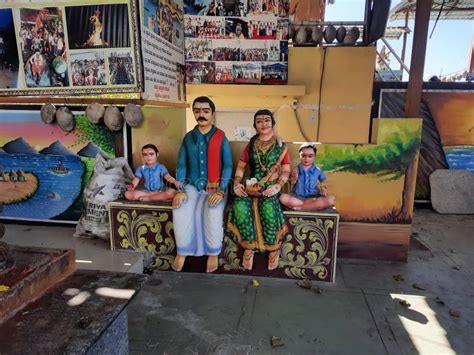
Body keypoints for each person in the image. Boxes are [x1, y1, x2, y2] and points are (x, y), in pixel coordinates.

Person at [172, 96, 233, 273]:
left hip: (216, 186)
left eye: (206, 111)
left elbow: (228, 165)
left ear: (212, 114)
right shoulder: (188, 138)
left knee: (213, 211)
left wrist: (221, 191)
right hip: (191, 186)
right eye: (197, 111)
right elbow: (181, 165)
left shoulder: (221, 137)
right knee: (180, 208)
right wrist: (181, 189)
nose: (201, 114)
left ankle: (213, 252)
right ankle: (183, 250)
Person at [227, 109, 291, 271]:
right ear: (255, 126)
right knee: (240, 205)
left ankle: (273, 249)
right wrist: (236, 183)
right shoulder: (251, 145)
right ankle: (249, 248)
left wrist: (278, 186)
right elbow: (241, 167)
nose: (263, 124)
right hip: (252, 186)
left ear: (272, 123)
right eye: (259, 121)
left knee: (268, 209)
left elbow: (286, 170)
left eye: (267, 120)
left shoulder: (280, 146)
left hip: (270, 187)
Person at [280, 143, 335, 211]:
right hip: (297, 198)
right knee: (283, 197)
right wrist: (293, 178)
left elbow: (323, 180)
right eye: (303, 156)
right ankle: (308, 206)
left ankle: (301, 207)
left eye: (310, 156)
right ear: (299, 155)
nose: (306, 159)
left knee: (331, 199)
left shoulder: (317, 170)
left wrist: (323, 188)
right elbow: (291, 182)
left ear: (314, 156)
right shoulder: (296, 169)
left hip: (313, 198)